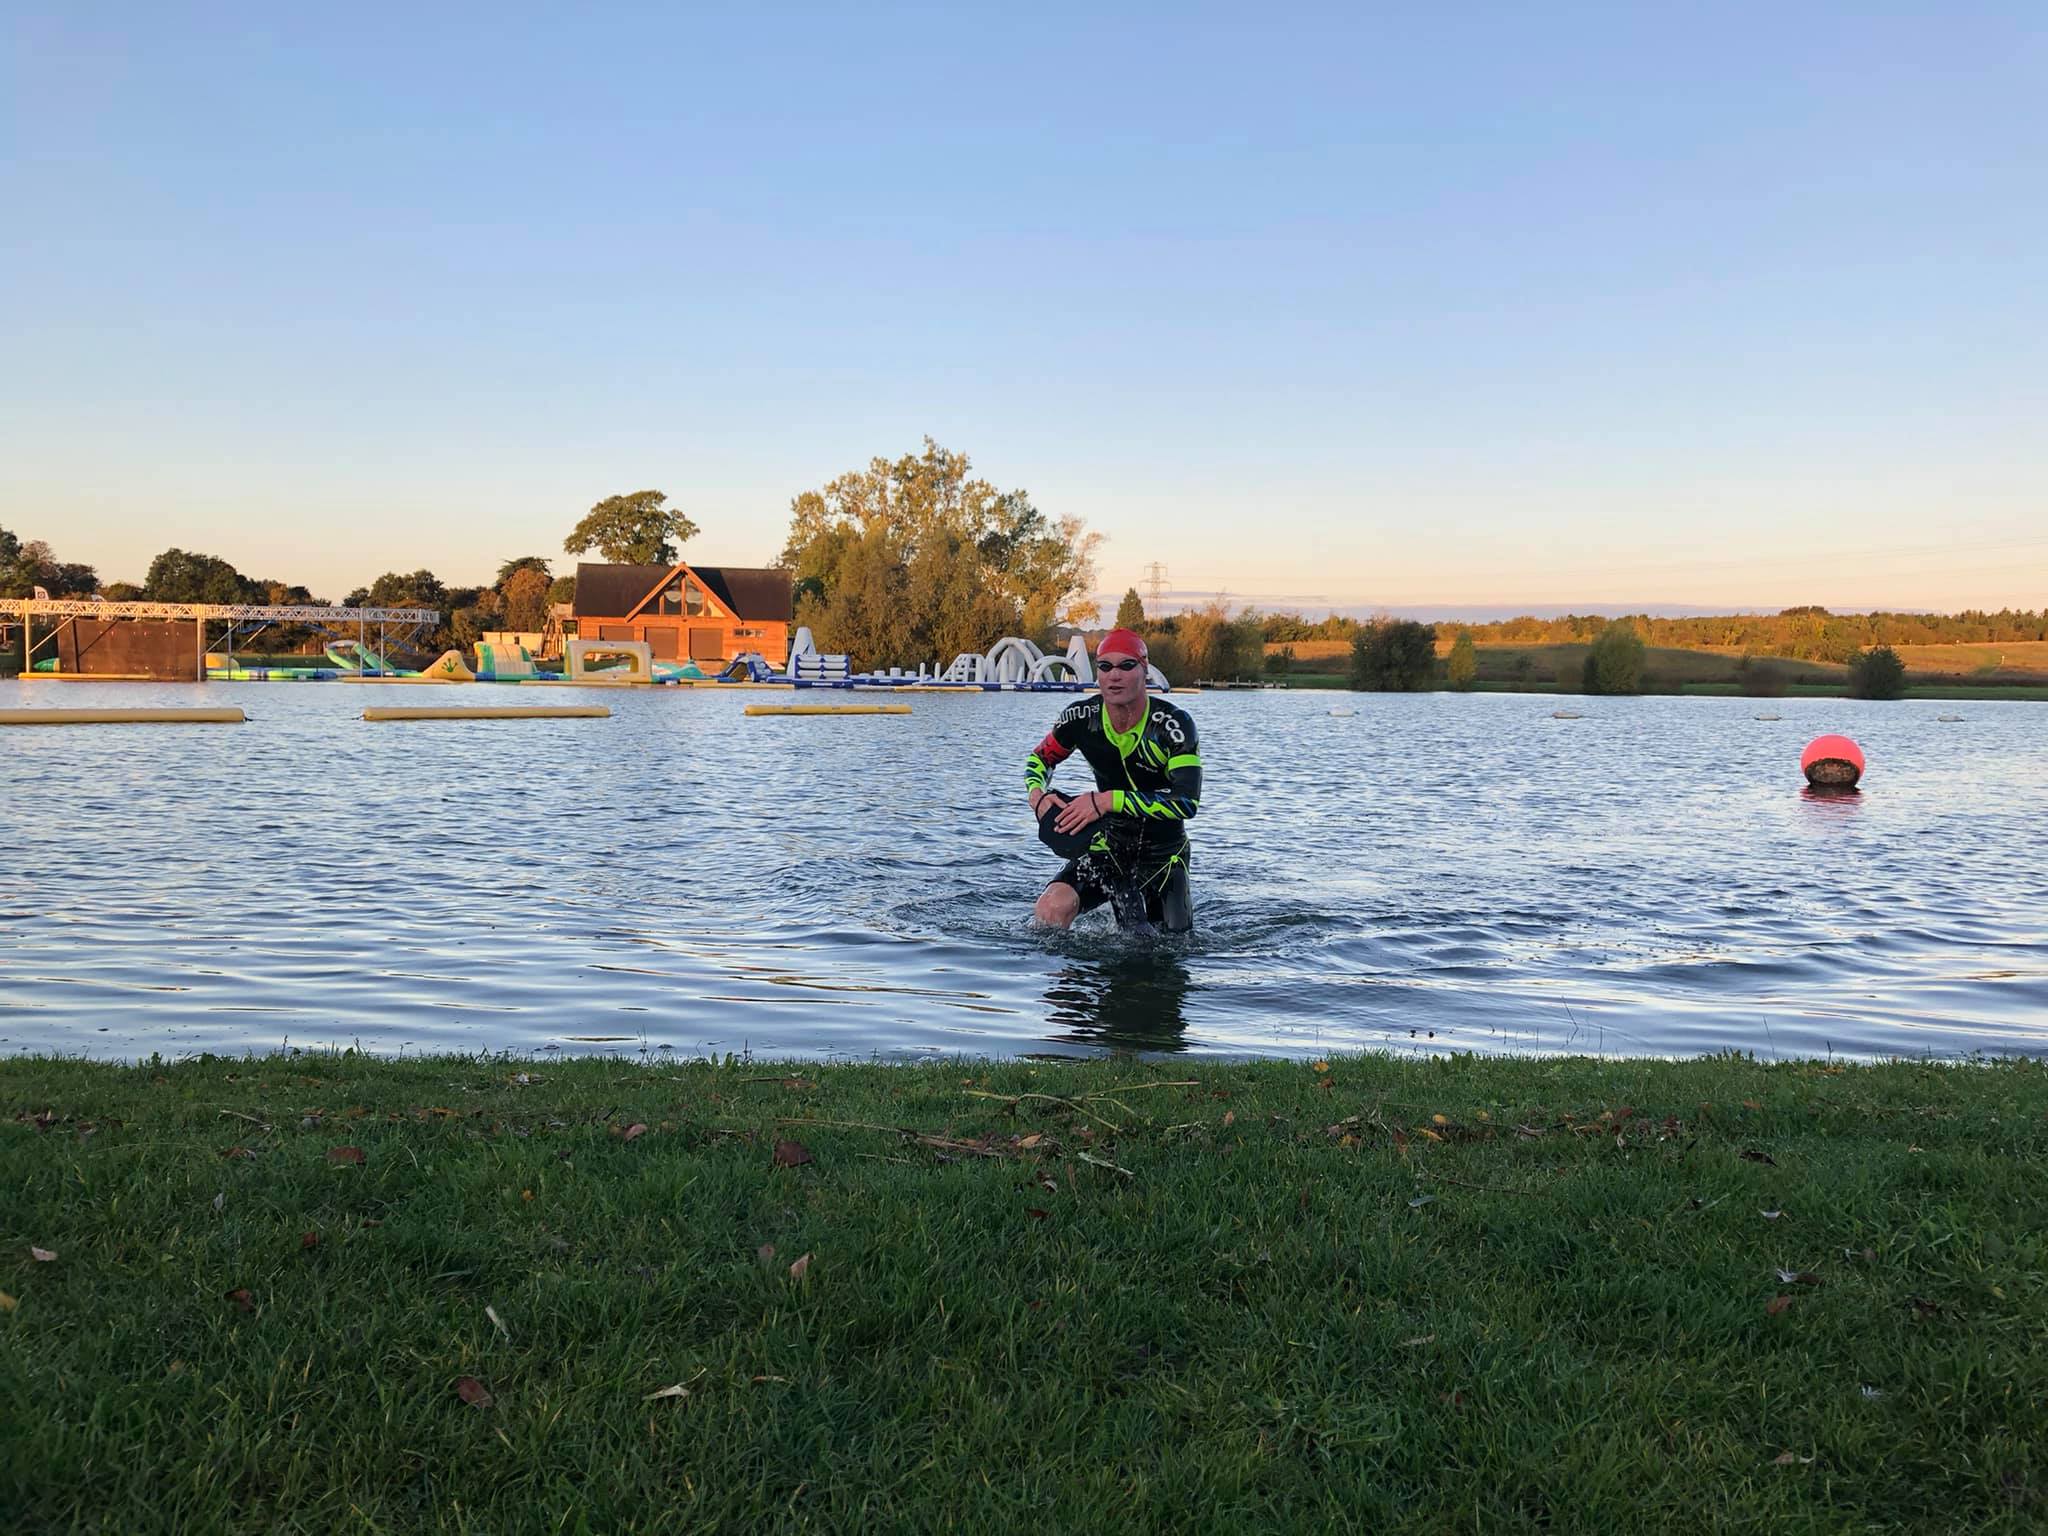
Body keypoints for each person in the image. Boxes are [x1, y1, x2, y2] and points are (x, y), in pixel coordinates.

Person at [1025, 627, 1201, 933]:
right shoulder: (1081, 717)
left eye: (1126, 666)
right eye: (1105, 667)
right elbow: (1040, 759)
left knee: (1167, 948)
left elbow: (1186, 802)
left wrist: (1107, 800)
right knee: (1051, 908)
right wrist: (1037, 794)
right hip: (1106, 846)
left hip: (1163, 856)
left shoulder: (1174, 725)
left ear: (1144, 669)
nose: (1114, 676)